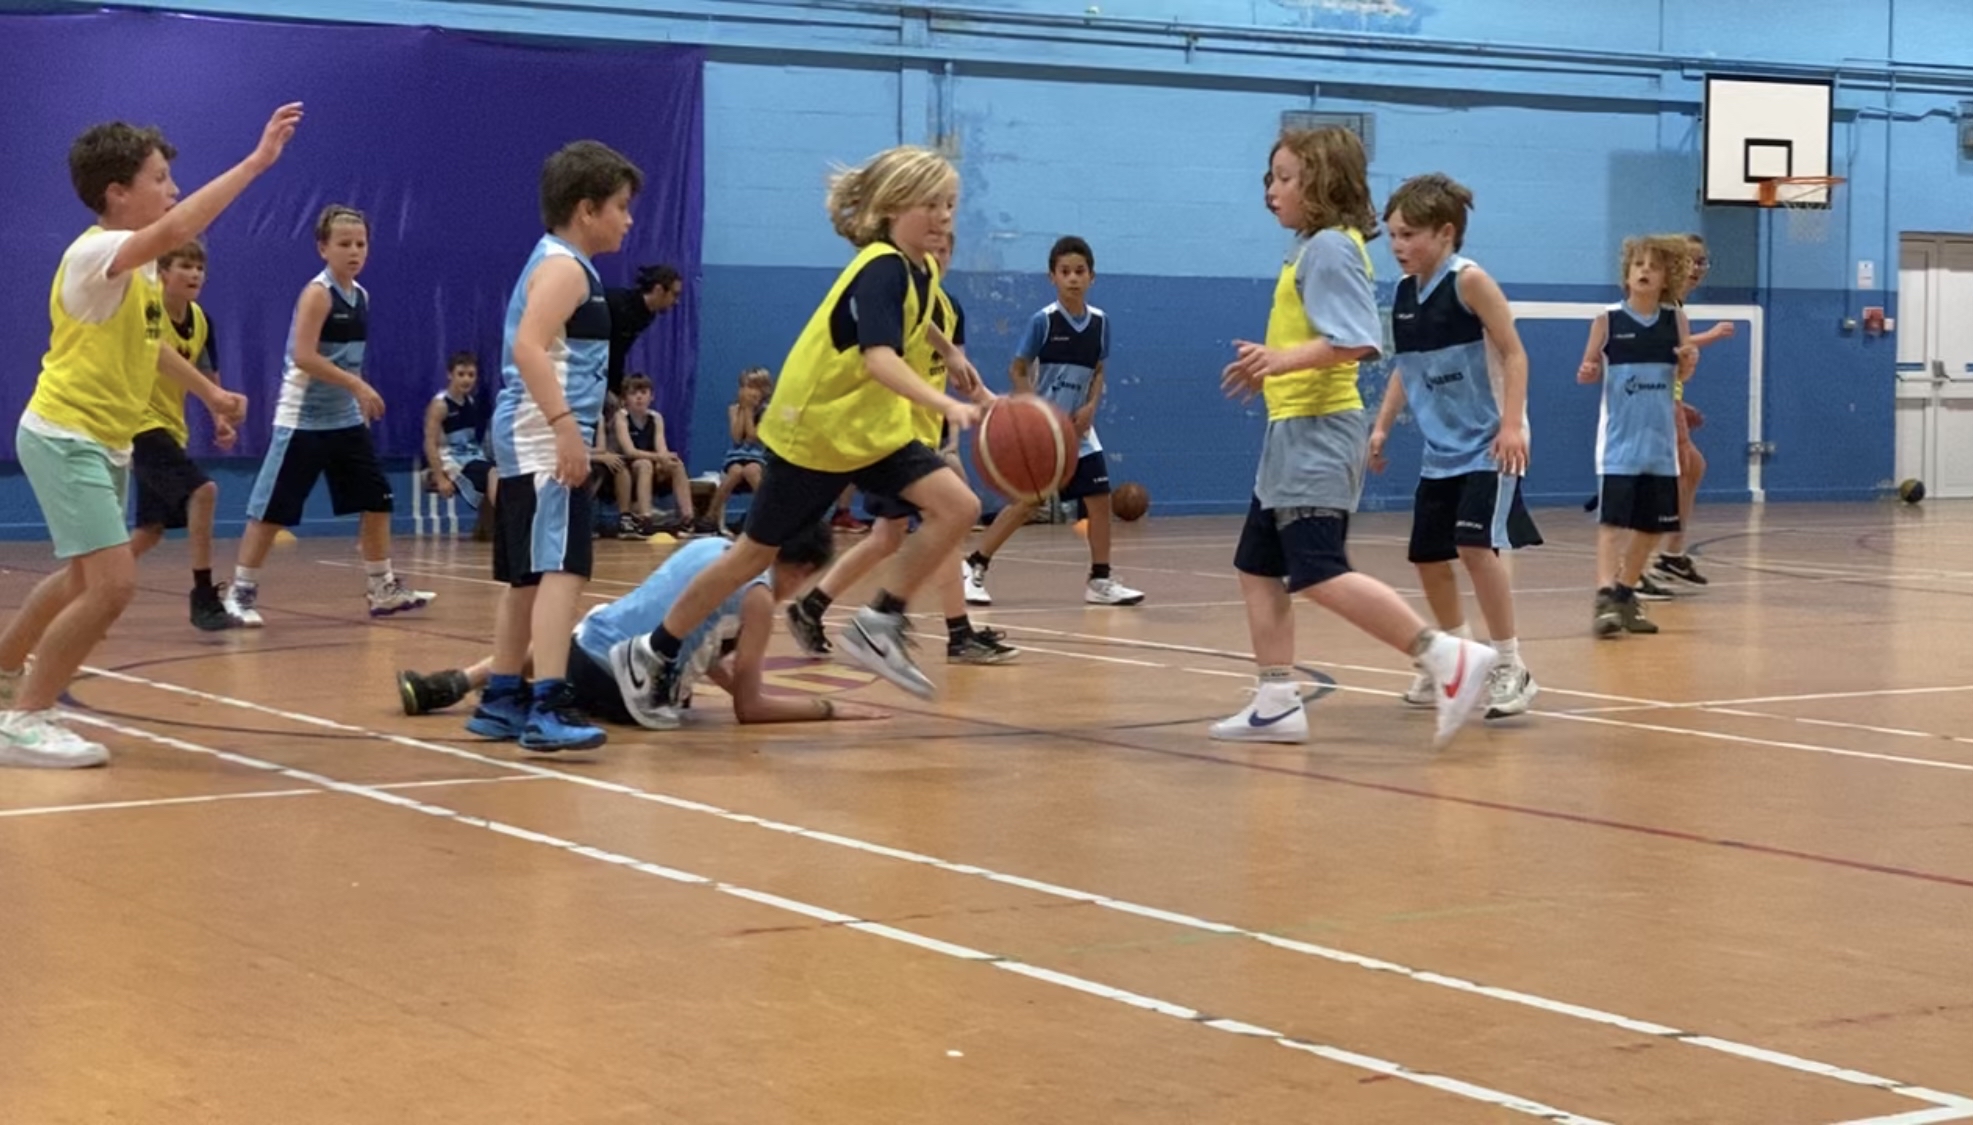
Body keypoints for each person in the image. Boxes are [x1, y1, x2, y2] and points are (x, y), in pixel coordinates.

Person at [628, 144, 983, 711]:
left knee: (958, 506)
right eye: (931, 203)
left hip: (869, 432)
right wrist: (948, 406)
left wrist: (962, 371)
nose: (944, 215)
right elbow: (879, 357)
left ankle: (879, 620)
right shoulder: (883, 266)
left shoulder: (917, 272)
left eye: (950, 203)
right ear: (894, 207)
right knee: (750, 557)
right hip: (817, 432)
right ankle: (654, 649)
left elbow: (920, 328)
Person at [0, 106, 295, 768]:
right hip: (65, 436)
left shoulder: (133, 271)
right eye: (161, 178)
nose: (173, 190)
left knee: (82, 582)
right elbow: (181, 226)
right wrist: (256, 163)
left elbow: (152, 342)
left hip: (103, 440)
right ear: (117, 192)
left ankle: (4, 670)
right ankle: (25, 718)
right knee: (113, 585)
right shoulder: (97, 251)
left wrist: (210, 392)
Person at [1211, 126, 1497, 748]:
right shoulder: (1310, 247)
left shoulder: (1331, 250)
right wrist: (1272, 367)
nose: (1272, 190)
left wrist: (1280, 362)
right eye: (1270, 177)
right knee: (1257, 568)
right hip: (1291, 428)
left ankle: (1446, 656)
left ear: (1323, 184)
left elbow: (1360, 339)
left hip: (1318, 430)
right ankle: (1277, 700)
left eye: (1286, 178)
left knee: (1315, 571)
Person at [468, 140, 644, 755]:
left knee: (525, 578)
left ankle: (500, 700)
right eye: (621, 206)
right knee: (561, 570)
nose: (628, 219)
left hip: (527, 435)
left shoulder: (561, 264)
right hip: (543, 439)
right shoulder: (565, 267)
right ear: (586, 208)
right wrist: (569, 429)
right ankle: (548, 704)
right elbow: (528, 348)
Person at [785, 228, 1016, 666]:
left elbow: (956, 369)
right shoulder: (900, 295)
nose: (939, 254)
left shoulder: (951, 309)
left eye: (947, 248)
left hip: (925, 434)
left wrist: (978, 401)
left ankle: (810, 607)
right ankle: (957, 634)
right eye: (934, 246)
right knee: (943, 519)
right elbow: (907, 330)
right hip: (894, 436)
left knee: (889, 537)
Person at [398, 521, 885, 728]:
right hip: (622, 692)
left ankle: (459, 681)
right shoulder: (757, 596)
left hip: (581, 650)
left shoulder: (710, 548)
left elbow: (692, 633)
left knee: (576, 644)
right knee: (675, 696)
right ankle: (535, 701)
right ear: (800, 570)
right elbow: (749, 708)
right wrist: (826, 709)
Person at [1369, 173, 1540, 720]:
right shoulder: (1401, 293)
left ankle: (1512, 664)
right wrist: (1382, 424)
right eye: (1392, 235)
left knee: (1474, 549)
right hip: (1440, 451)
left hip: (1490, 444)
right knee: (1427, 557)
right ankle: (1456, 661)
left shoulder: (1470, 282)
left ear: (1446, 233)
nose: (1398, 246)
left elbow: (1515, 354)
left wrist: (1511, 425)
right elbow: (1406, 367)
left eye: (1410, 234)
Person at [225, 205, 431, 625]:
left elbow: (346, 361)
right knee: (271, 510)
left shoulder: (362, 296)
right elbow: (303, 356)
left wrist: (355, 394)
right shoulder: (317, 294)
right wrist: (356, 385)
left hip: (344, 421)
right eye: (344, 244)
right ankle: (240, 593)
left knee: (377, 500)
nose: (354, 251)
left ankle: (381, 588)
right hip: (303, 419)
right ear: (323, 248)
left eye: (361, 243)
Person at [962, 236, 1145, 608]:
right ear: (1052, 277)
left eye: (1080, 272)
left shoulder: (1100, 323)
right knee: (1029, 503)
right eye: (1065, 272)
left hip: (1080, 431)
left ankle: (1100, 580)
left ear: (1092, 277)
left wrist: (1092, 404)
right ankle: (974, 565)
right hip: (1045, 435)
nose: (1073, 279)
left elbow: (1098, 368)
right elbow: (1016, 369)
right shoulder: (1043, 322)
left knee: (1098, 500)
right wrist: (1034, 414)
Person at [1579, 235, 1696, 637]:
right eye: (1638, 265)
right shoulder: (1608, 320)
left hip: (1659, 445)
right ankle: (1604, 596)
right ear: (1627, 276)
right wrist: (1589, 370)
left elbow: (1682, 375)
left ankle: (1626, 595)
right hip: (1618, 443)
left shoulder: (1675, 321)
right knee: (1612, 524)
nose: (1644, 270)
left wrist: (1690, 362)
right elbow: (1589, 364)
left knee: (1652, 527)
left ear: (1666, 278)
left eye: (1654, 266)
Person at [129, 238, 247, 631]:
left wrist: (221, 417)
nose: (195, 273)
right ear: (162, 273)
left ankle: (84, 585)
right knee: (204, 491)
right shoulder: (148, 310)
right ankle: (203, 597)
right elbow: (155, 352)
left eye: (199, 268)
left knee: (149, 532)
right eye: (184, 266)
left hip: (169, 426)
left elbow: (208, 372)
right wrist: (217, 397)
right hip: (137, 424)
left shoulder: (201, 320)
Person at [1652, 231, 1734, 588]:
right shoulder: (1660, 305)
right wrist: (1712, 336)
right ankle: (1635, 569)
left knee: (1692, 468)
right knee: (1660, 481)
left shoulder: (1676, 307)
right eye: (1690, 260)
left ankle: (1671, 554)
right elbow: (1664, 351)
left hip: (1665, 397)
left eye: (1702, 261)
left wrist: (1678, 401)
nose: (1697, 268)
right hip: (1650, 404)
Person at [609, 373, 696, 534]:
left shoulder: (656, 418)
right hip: (628, 466)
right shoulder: (621, 417)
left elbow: (660, 447)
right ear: (625, 399)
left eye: (643, 393)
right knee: (644, 464)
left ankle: (687, 518)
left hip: (651, 462)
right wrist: (659, 457)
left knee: (676, 465)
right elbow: (630, 451)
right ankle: (645, 518)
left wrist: (667, 458)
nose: (639, 397)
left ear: (652, 397)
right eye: (633, 393)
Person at [422, 349, 497, 518]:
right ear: (450, 375)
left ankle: (493, 529)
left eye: (471, 375)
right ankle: (507, 527)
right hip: (453, 462)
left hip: (472, 457)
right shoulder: (440, 405)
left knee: (502, 473)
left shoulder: (470, 401)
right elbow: (429, 443)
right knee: (493, 473)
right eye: (461, 374)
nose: (466, 379)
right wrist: (440, 478)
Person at [700, 367, 771, 536]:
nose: (748, 392)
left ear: (764, 390)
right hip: (737, 456)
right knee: (736, 471)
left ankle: (768, 513)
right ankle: (710, 516)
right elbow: (737, 437)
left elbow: (754, 436)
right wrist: (744, 409)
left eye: (753, 387)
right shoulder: (734, 409)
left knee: (751, 470)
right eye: (745, 387)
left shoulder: (768, 410)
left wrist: (749, 411)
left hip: (759, 456)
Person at [605, 263, 681, 396]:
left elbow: (619, 351)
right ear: (658, 290)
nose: (676, 301)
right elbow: (612, 350)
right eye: (674, 294)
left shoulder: (648, 315)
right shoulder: (619, 305)